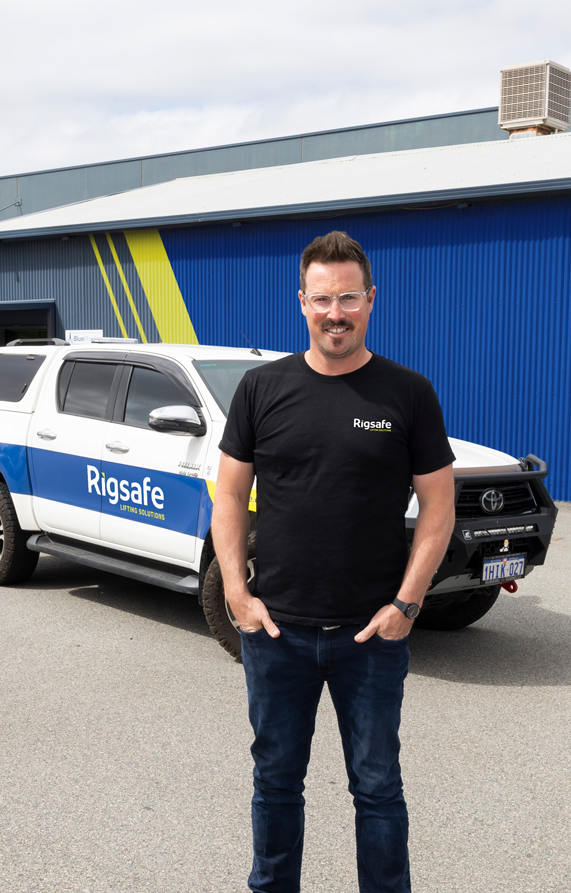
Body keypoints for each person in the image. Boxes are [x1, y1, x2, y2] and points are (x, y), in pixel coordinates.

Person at [211, 231, 457, 893]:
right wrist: (237, 591)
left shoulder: (407, 393)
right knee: (275, 784)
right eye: (323, 299)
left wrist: (407, 603)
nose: (336, 313)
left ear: (371, 300)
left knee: (377, 789)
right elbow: (230, 495)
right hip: (276, 632)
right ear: (302, 303)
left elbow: (439, 505)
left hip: (370, 637)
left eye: (349, 298)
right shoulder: (263, 389)